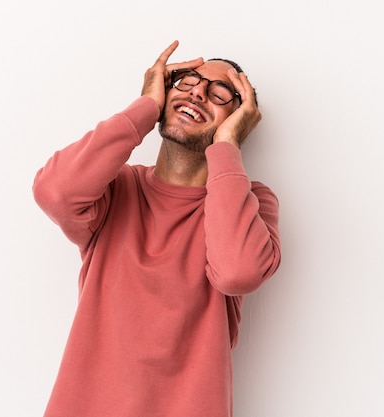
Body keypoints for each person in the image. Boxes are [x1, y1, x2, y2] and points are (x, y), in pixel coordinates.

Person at [32, 40, 282, 417]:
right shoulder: (116, 190)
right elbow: (55, 191)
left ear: (238, 119)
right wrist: (145, 107)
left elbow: (237, 271)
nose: (197, 91)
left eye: (219, 93)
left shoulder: (252, 202)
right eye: (185, 82)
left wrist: (228, 145)